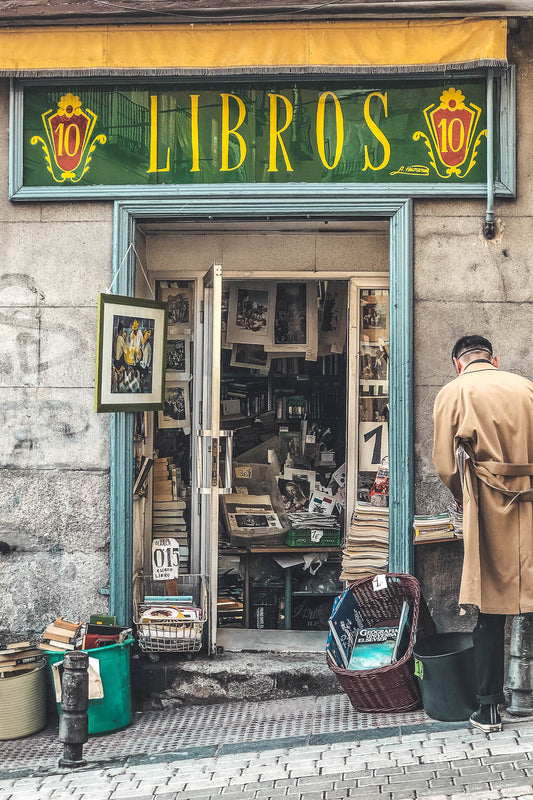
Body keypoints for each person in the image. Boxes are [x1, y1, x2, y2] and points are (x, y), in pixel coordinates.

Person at [433, 334, 533, 733]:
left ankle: (489, 709)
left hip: (491, 507)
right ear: (494, 358)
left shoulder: (454, 391)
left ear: (458, 363)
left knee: (490, 611)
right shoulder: (527, 387)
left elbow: (445, 464)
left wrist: (465, 497)